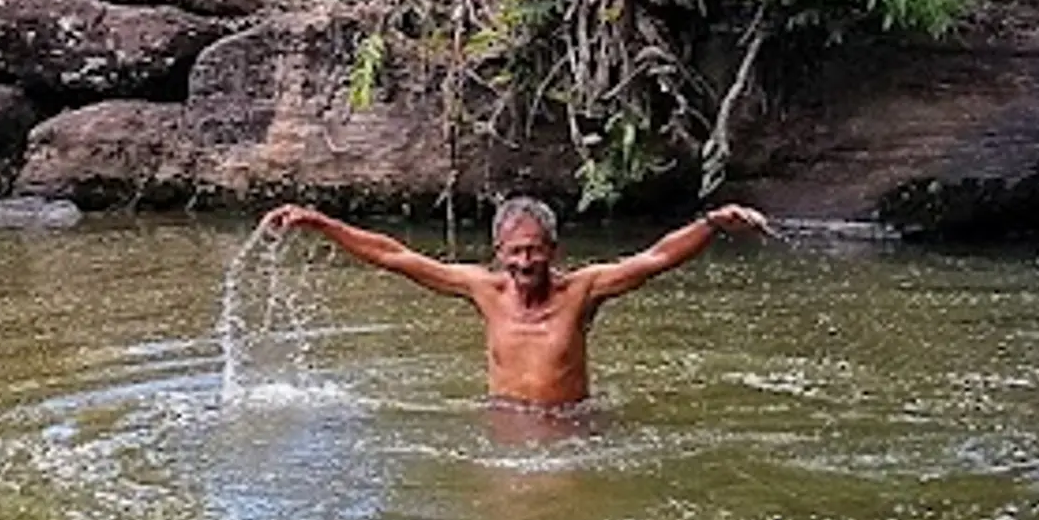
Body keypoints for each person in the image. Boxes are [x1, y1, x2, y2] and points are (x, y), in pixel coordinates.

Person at [261, 196, 770, 409]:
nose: (524, 261)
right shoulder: (485, 290)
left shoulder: (583, 290)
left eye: (533, 250)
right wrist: (321, 224)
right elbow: (396, 256)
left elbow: (654, 258)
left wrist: (711, 225)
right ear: (498, 253)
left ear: (553, 250)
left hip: (570, 427)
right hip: (504, 423)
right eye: (514, 251)